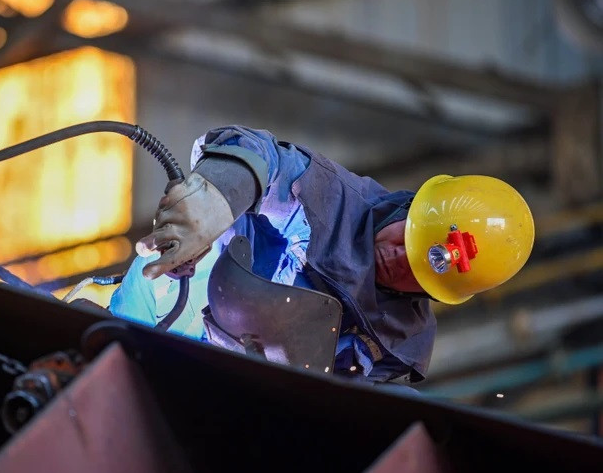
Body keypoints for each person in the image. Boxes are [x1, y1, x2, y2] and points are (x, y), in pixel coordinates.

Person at [109, 125, 535, 387]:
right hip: (154, 305)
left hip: (211, 388)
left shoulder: (400, 345)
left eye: (420, 270)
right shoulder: (328, 199)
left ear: (436, 293)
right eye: (408, 237)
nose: (398, 257)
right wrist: (218, 198)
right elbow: (261, 154)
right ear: (412, 209)